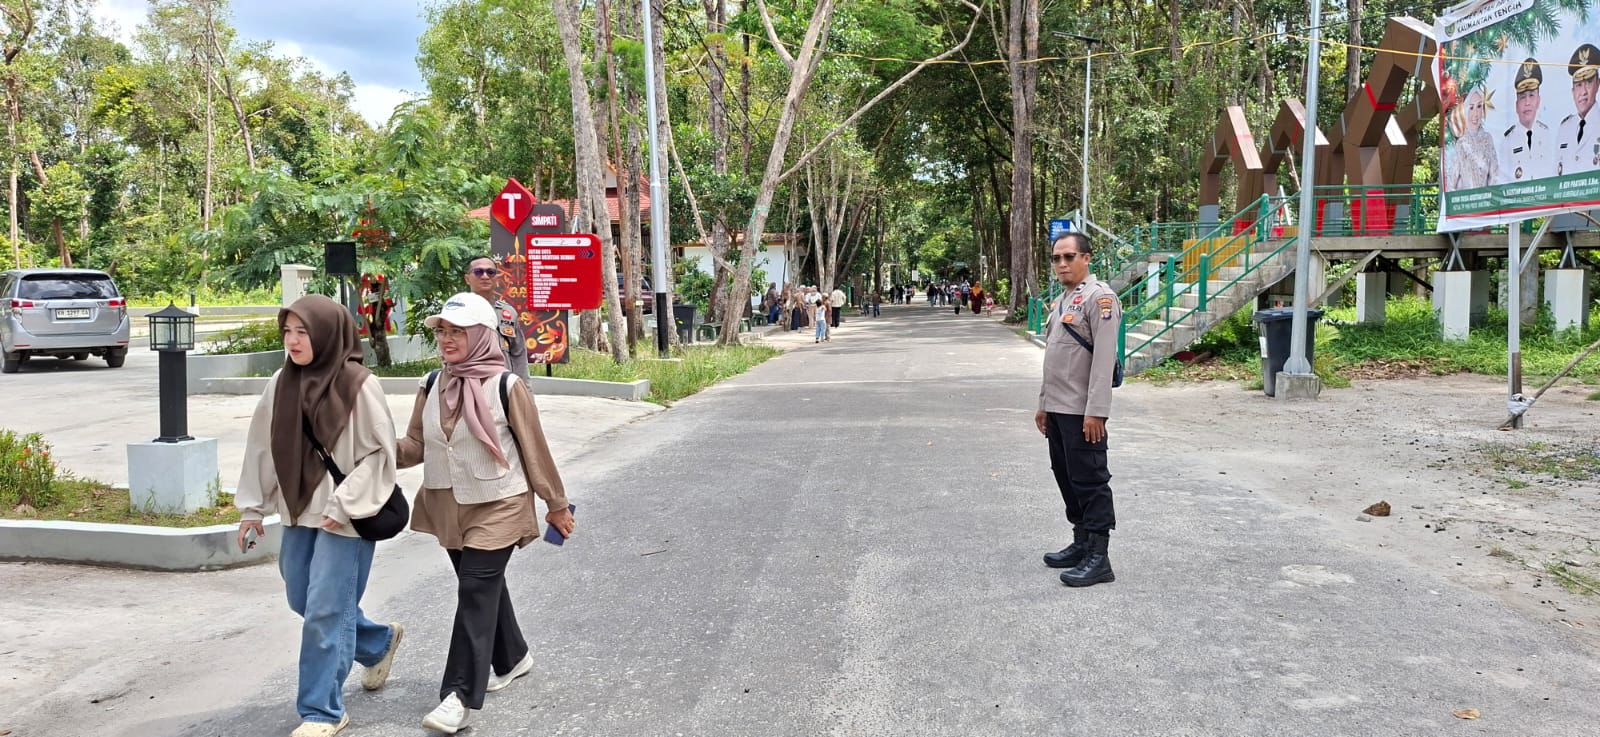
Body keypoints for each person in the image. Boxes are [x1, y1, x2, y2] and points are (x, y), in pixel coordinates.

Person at [397, 292, 574, 734]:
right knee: (481, 586)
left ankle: (457, 696)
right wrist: (371, 448)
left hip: (500, 502)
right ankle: (512, 656)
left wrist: (555, 504)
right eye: (442, 330)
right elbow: (415, 446)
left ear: (481, 335)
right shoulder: (431, 384)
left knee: (475, 590)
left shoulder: (506, 386)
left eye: (458, 331)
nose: (447, 339)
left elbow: (534, 450)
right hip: (448, 504)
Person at [235, 295, 404, 737]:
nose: (292, 341)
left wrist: (344, 503)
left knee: (327, 611)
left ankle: (322, 711)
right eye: (287, 331)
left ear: (327, 333)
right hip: (297, 509)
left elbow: (380, 456)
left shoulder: (358, 384)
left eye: (303, 331)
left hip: (345, 515)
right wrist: (253, 508)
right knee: (301, 599)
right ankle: (377, 641)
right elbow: (262, 447)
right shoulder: (281, 382)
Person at [1034, 232, 1121, 588]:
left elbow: (1103, 360)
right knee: (1066, 476)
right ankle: (1082, 542)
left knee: (1090, 480)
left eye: (1069, 257)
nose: (1061, 264)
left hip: (1082, 410)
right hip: (1057, 408)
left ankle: (1099, 557)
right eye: (1056, 258)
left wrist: (1096, 411)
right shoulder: (1062, 300)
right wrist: (1043, 405)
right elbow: (1053, 358)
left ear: (1087, 258)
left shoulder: (1100, 298)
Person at [464, 257, 529, 379]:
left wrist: (524, 391)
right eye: (478, 272)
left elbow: (518, 355)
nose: (485, 276)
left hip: (502, 384)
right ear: (467, 279)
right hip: (470, 383)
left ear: (496, 278)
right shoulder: (457, 311)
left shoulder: (507, 312)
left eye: (490, 272)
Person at [1499, 58, 1555, 184]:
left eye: (1531, 95)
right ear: (1516, 105)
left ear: (1538, 100)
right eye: (1522, 97)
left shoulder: (1547, 134)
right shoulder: (1507, 141)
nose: (1527, 103)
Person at [1558, 44, 1600, 176]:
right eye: (1578, 85)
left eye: (1588, 83)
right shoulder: (1564, 128)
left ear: (1598, 84)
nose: (1583, 92)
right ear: (1572, 91)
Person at [1448, 89, 1499, 189]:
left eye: (1479, 106)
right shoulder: (1461, 143)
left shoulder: (1488, 139)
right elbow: (1452, 181)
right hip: (1467, 201)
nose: (1475, 113)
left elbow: (1495, 174)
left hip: (1487, 200)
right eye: (1471, 108)